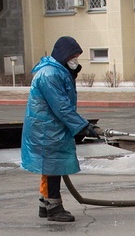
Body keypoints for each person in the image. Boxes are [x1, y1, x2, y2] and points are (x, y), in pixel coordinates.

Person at [20, 36, 100, 223]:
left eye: (77, 56)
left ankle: (45, 204)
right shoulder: (49, 74)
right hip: (47, 128)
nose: (75, 60)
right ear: (63, 55)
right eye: (73, 56)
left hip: (52, 126)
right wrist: (83, 126)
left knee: (51, 166)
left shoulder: (58, 71)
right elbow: (61, 106)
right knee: (51, 165)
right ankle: (54, 207)